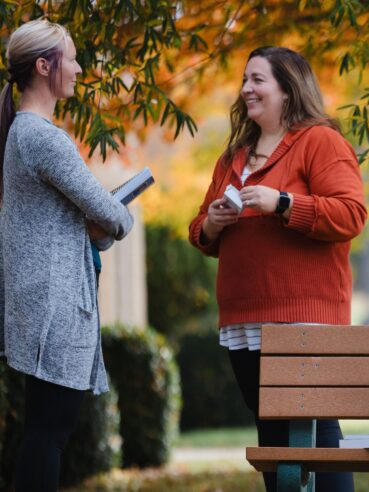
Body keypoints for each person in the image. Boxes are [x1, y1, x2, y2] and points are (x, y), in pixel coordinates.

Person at [188, 46, 365, 492]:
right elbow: (200, 230)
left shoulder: (320, 141)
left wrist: (282, 202)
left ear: (287, 89)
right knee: (271, 432)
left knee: (316, 429)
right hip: (244, 320)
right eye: (244, 80)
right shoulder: (234, 157)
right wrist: (212, 223)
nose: (246, 88)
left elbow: (350, 215)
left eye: (258, 79)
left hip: (304, 316)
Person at [0, 19, 134, 491]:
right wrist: (120, 218)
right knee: (49, 434)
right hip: (52, 309)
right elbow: (108, 212)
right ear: (44, 66)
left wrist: (99, 224)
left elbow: (77, 215)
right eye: (71, 59)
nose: (78, 69)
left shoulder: (22, 133)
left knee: (46, 431)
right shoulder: (43, 137)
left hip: (40, 305)